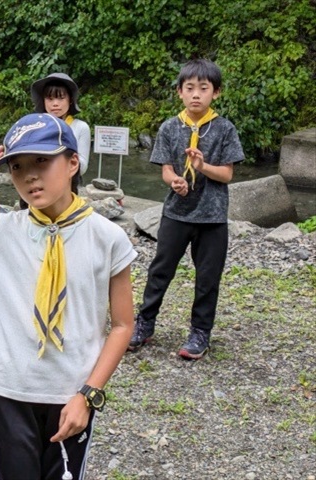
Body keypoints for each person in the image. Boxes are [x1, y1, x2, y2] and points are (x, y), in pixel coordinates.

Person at [0, 113, 136, 479]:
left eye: (42, 161)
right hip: (11, 388)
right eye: (17, 167)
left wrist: (88, 395)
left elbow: (123, 325)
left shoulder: (107, 237)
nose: (30, 175)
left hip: (72, 393)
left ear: (73, 163)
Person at [127, 58, 245, 359]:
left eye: (203, 89)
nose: (196, 94)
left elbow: (228, 175)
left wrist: (202, 166)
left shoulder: (225, 129)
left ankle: (200, 333)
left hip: (213, 215)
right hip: (176, 213)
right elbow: (166, 170)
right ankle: (145, 324)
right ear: (179, 91)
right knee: (160, 270)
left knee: (208, 276)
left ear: (215, 93)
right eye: (189, 88)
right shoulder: (169, 127)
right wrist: (175, 181)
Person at [31, 72, 91, 178]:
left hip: (69, 187)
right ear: (43, 101)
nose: (55, 103)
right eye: (50, 99)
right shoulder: (36, 126)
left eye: (61, 98)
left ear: (70, 100)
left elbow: (82, 167)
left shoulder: (81, 127)